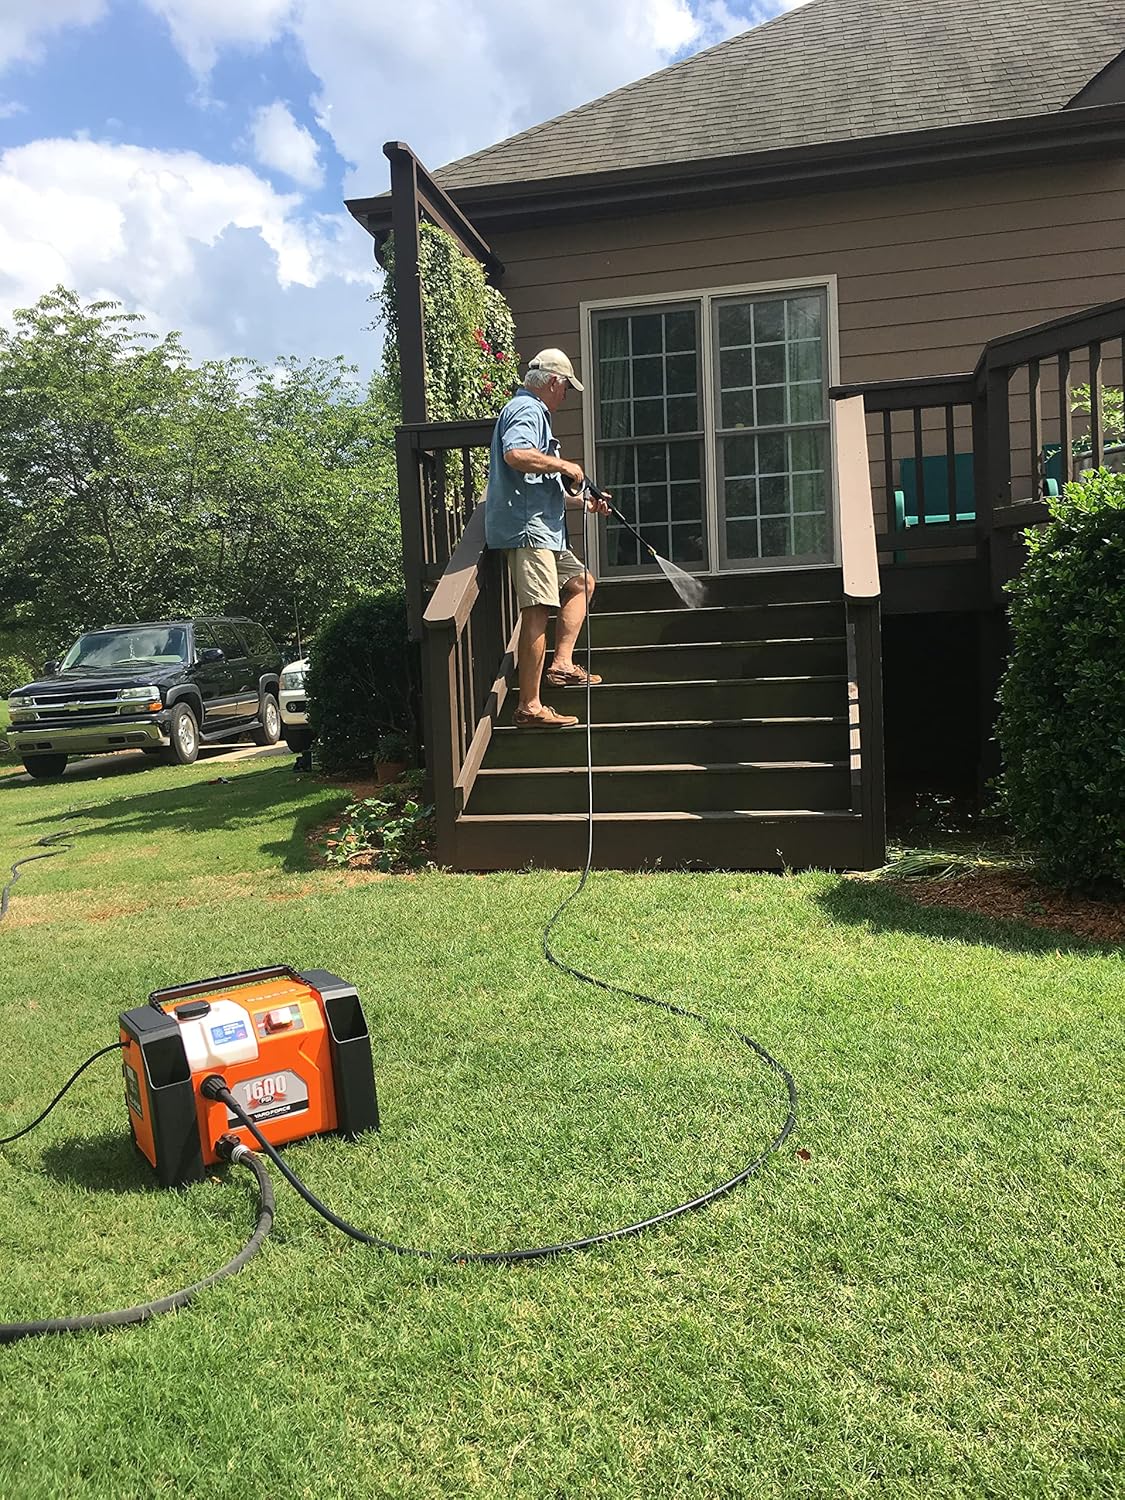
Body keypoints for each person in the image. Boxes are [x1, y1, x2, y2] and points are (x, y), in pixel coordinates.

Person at [486, 349, 611, 728]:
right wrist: (566, 464)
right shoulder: (526, 410)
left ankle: (562, 664)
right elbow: (516, 455)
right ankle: (530, 706)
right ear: (553, 382)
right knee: (538, 609)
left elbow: (537, 482)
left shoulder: (535, 413)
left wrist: (581, 498)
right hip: (528, 531)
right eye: (566, 389)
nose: (566, 396)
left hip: (545, 529)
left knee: (581, 582)